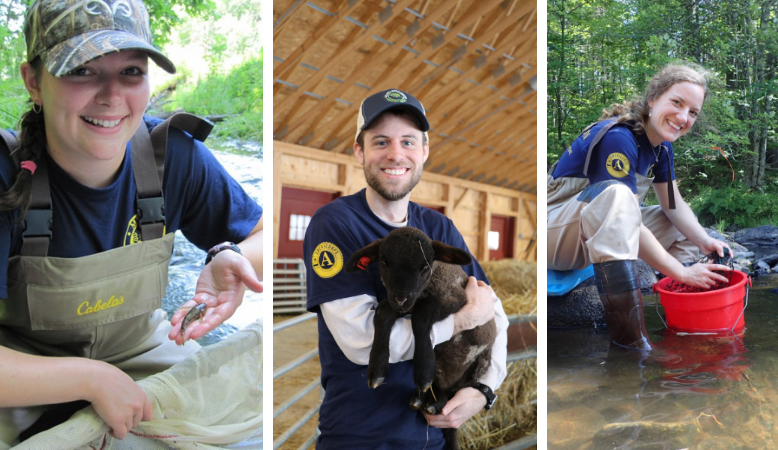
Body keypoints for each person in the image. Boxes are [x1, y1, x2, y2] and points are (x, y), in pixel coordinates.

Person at [0, 0, 263, 445]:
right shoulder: (5, 174)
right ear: (33, 82)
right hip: (21, 374)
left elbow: (259, 236)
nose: (112, 96)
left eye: (131, 72)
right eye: (82, 70)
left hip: (145, 357)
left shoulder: (174, 157)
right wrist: (90, 378)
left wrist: (230, 254)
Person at [303, 89, 509, 449]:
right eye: (381, 142)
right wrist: (461, 320)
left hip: (435, 434)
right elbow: (361, 342)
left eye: (408, 142)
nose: (396, 154)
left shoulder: (439, 228)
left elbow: (495, 312)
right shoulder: (336, 224)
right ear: (359, 151)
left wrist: (484, 389)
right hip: (363, 435)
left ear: (424, 151)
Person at [547, 64, 731, 350]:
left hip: (594, 230)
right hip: (551, 234)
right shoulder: (618, 138)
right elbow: (622, 212)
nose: (683, 117)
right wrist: (681, 272)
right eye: (677, 103)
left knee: (681, 227)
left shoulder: (662, 147)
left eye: (693, 112)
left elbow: (673, 206)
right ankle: (632, 347)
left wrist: (704, 241)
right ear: (653, 98)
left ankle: (678, 314)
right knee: (618, 196)